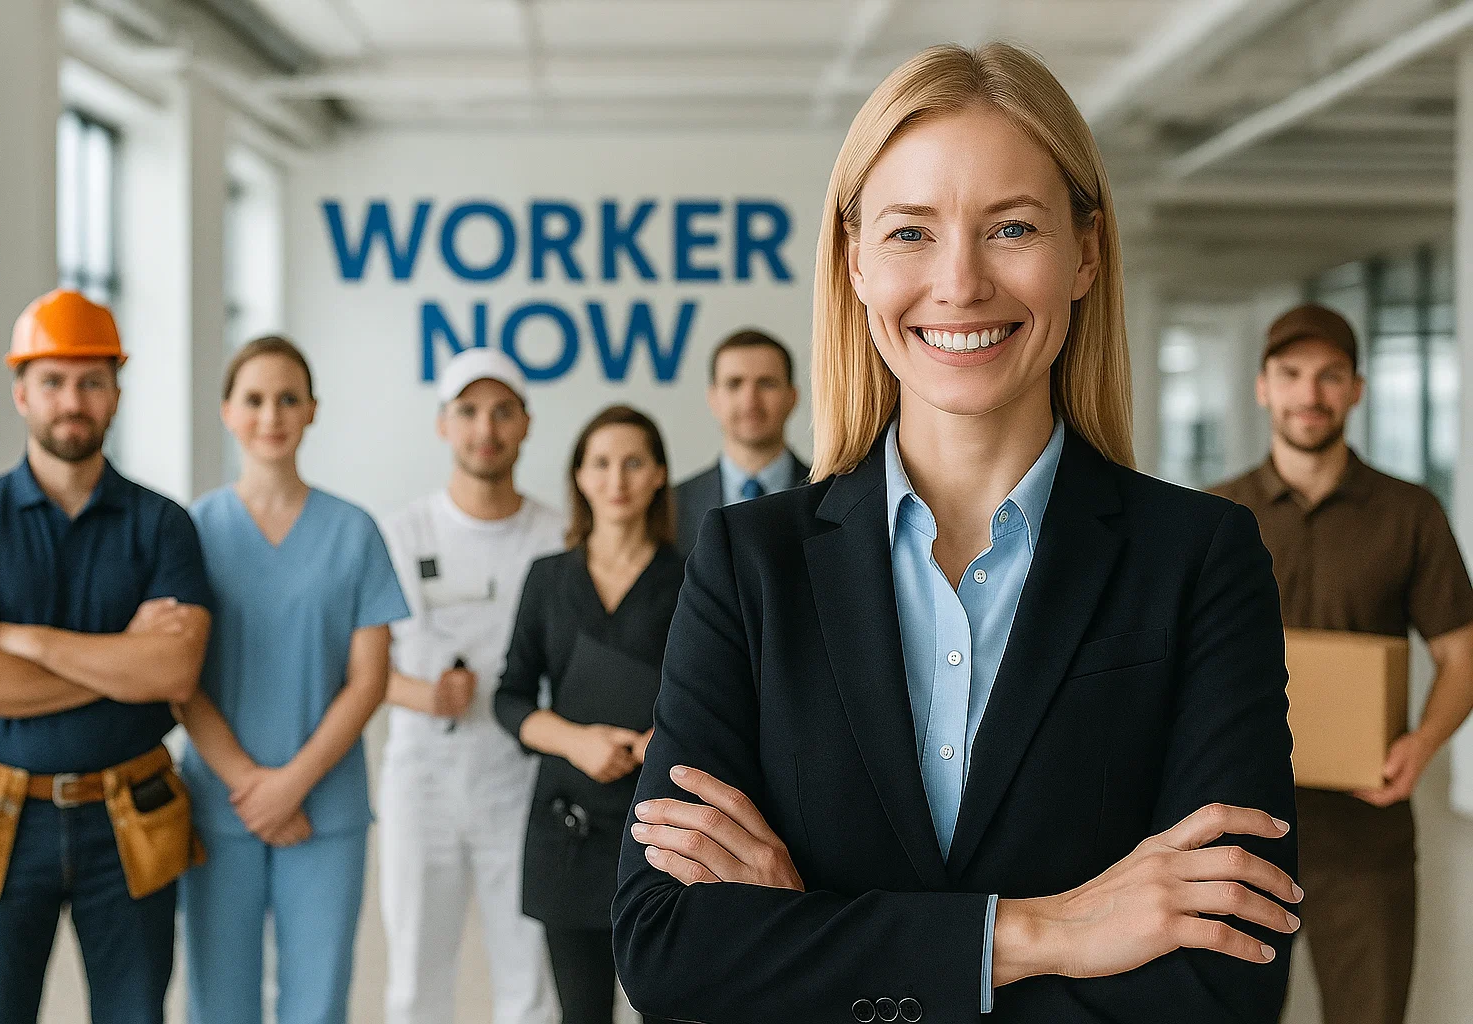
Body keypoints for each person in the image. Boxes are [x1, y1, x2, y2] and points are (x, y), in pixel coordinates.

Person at [613, 43, 1303, 1023]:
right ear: (854, 260)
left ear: (1087, 253)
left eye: (1011, 227)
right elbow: (665, 948)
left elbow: (1226, 977)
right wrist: (1040, 932)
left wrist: (813, 935)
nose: (960, 282)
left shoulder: (1200, 561)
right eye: (910, 234)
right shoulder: (747, 563)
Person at [0, 289, 211, 1024]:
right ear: (21, 392)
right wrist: (123, 661)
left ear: (116, 392)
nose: (72, 400)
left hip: (131, 812)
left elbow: (173, 674)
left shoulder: (163, 526)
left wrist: (22, 640)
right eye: (53, 381)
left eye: (91, 381)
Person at [1211, 304, 1473, 1024]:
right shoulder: (1212, 516)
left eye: (1330, 376)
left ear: (1357, 389)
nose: (1310, 394)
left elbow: (1461, 652)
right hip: (1232, 836)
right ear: (1263, 387)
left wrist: (1422, 746)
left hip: (1366, 840)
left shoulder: (1410, 514)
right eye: (1291, 375)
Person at [177, 336, 409, 1024]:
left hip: (325, 808)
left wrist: (290, 785)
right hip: (220, 805)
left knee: (318, 1002)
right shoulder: (193, 530)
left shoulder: (355, 532)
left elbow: (369, 681)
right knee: (219, 1002)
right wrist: (253, 786)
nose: (271, 414)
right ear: (226, 411)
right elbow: (180, 680)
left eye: (287, 399)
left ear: (312, 411)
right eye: (254, 399)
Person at [378, 347, 563, 1024]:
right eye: (468, 412)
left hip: (518, 783)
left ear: (525, 423)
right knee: (414, 979)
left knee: (528, 980)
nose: (485, 428)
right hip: (421, 780)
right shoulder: (401, 534)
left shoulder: (556, 536)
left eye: (502, 411)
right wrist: (422, 695)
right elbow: (364, 667)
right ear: (443, 425)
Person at [494, 405, 684, 1024]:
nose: (617, 478)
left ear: (659, 475)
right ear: (579, 476)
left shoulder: (691, 577)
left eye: (633, 462)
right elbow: (510, 696)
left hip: (661, 825)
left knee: (667, 1005)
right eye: (600, 463)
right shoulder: (549, 579)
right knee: (580, 1014)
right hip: (567, 827)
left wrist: (667, 739)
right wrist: (576, 742)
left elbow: (722, 696)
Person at [674, 328, 807, 559]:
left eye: (766, 383)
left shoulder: (832, 494)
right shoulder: (673, 506)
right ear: (713, 398)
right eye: (734, 384)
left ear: (792, 397)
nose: (750, 400)